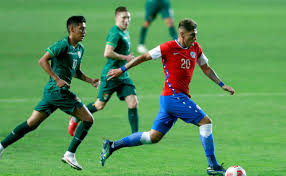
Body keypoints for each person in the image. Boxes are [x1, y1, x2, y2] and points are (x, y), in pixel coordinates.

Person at [100, 18, 235, 176]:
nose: (195, 38)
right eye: (192, 35)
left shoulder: (195, 48)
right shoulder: (168, 47)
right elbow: (143, 57)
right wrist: (121, 70)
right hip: (173, 97)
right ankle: (213, 165)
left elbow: (206, 68)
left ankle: (113, 145)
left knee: (153, 137)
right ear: (181, 34)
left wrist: (221, 84)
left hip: (170, 100)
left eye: (196, 34)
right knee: (206, 122)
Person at [0, 16, 100, 171]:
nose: (84, 32)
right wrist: (57, 78)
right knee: (88, 119)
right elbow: (43, 60)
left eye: (85, 29)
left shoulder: (80, 49)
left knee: (31, 123)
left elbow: (76, 72)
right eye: (81, 28)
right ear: (71, 29)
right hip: (57, 90)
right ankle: (70, 154)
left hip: (52, 93)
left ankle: (1, 146)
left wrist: (90, 80)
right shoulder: (62, 45)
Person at [68, 7, 139, 136]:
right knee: (99, 105)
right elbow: (107, 52)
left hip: (123, 75)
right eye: (124, 18)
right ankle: (76, 117)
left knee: (133, 102)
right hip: (111, 75)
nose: (126, 20)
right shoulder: (115, 33)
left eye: (128, 17)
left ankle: (136, 136)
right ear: (116, 18)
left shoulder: (125, 32)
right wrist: (126, 58)